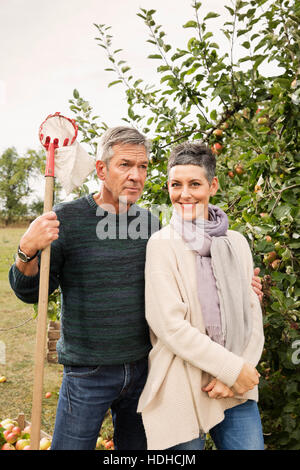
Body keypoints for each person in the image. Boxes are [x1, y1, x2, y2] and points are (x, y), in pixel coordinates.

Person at [9, 128, 263, 450]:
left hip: (145, 371)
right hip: (89, 372)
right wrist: (26, 250)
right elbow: (30, 292)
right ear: (102, 169)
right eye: (125, 165)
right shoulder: (66, 220)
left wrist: (240, 283)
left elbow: (188, 279)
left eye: (143, 167)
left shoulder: (153, 225)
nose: (136, 175)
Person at [137, 141, 265, 450]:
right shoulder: (162, 244)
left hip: (235, 385)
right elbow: (170, 326)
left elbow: (251, 315)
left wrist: (239, 371)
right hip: (182, 380)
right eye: (175, 185)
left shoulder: (236, 242)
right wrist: (230, 369)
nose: (184, 194)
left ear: (213, 185)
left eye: (195, 184)